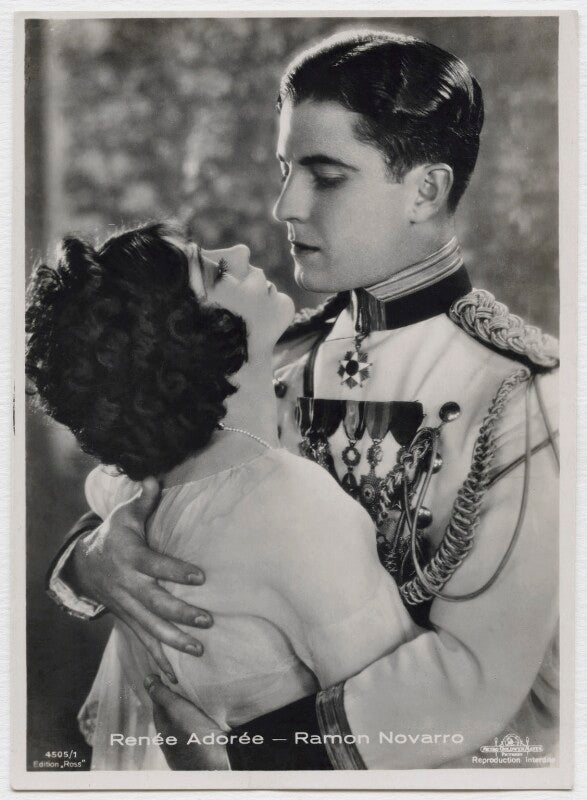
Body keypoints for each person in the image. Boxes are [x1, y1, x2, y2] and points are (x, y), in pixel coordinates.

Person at [45, 30, 560, 770]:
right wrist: (88, 558)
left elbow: (475, 680)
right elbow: (144, 471)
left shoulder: (520, 394)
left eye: (325, 176)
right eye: (286, 170)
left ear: (425, 191)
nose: (285, 205)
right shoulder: (275, 351)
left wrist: (248, 762)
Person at [26, 222, 420, 770]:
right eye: (212, 269)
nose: (239, 248)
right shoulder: (294, 504)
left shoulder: (147, 485)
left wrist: (233, 764)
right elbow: (409, 733)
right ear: (187, 342)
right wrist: (87, 559)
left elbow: (108, 484)